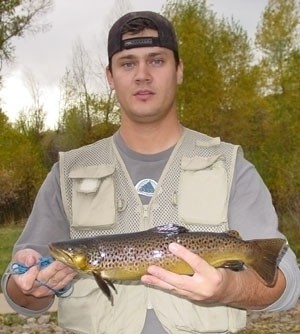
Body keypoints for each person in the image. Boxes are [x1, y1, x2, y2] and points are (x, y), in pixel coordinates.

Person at [2, 10, 299, 334]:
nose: (142, 75)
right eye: (128, 63)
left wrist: (230, 288)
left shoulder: (231, 167)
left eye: (156, 60)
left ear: (179, 70)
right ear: (110, 76)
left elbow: (287, 284)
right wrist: (28, 288)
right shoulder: (67, 174)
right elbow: (17, 294)